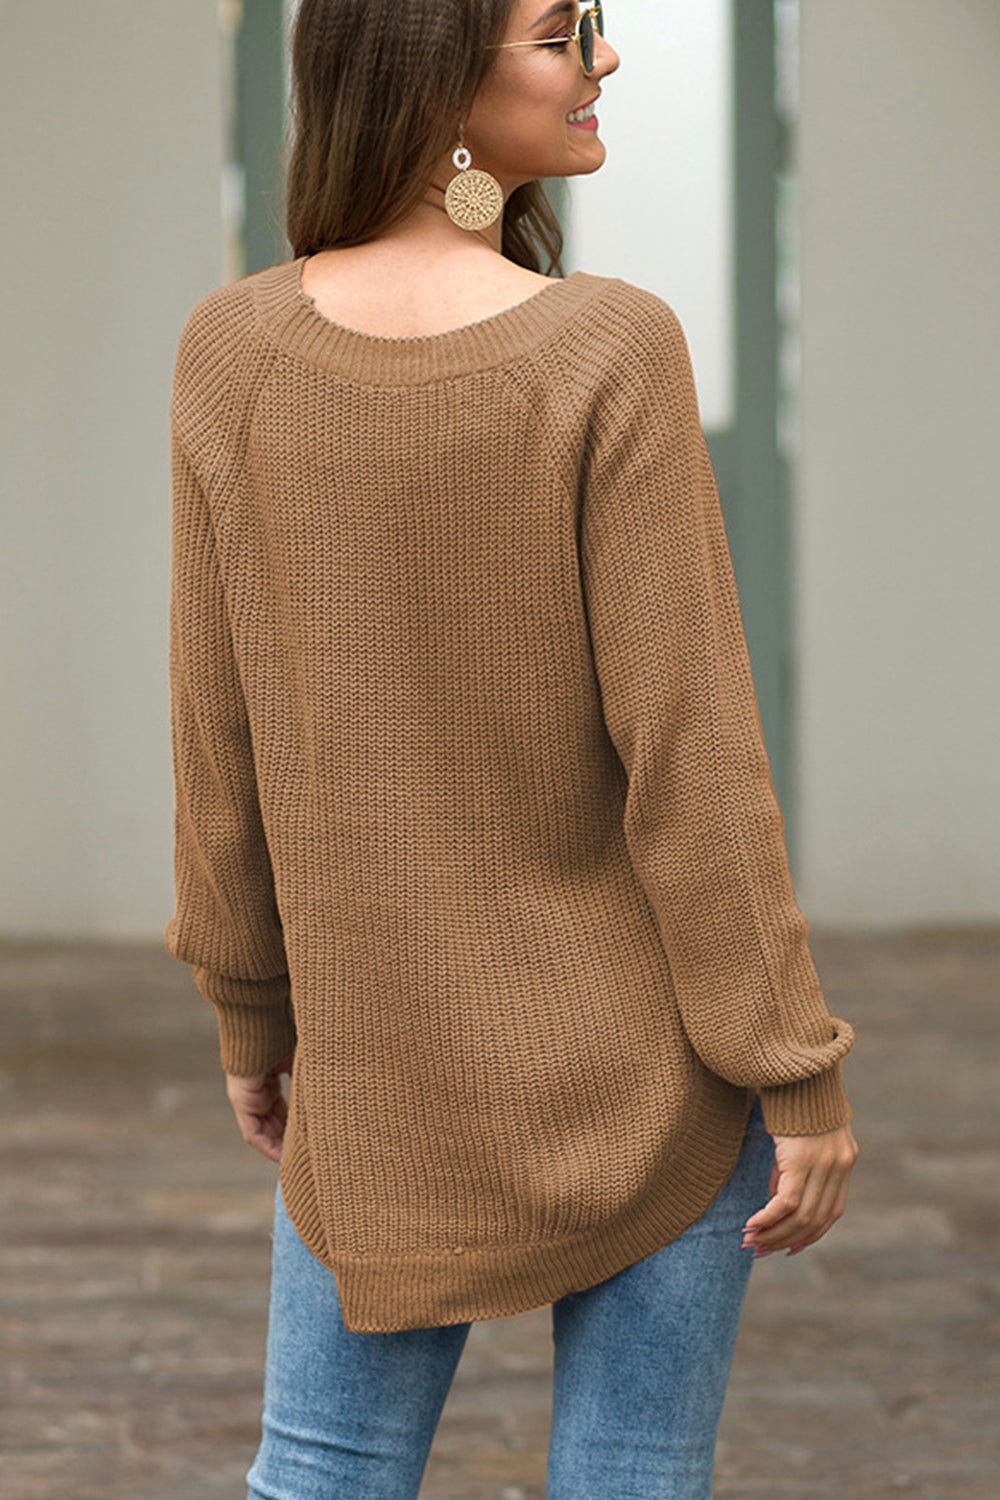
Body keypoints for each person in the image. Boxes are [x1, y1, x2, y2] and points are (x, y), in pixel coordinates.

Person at [163, 1, 860, 1495]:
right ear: (435, 71)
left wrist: (253, 1012)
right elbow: (694, 754)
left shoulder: (236, 351)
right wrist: (793, 1069)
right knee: (632, 1477)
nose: (605, 59)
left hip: (376, 1079)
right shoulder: (608, 347)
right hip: (654, 1080)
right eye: (563, 31)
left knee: (322, 1474)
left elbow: (216, 745)